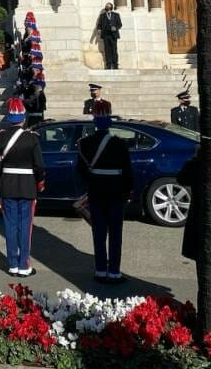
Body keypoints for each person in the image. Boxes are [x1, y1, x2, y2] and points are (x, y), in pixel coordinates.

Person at [77, 99, 133, 284]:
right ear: (109, 121)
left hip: (96, 191)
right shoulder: (119, 144)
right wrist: (128, 192)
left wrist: (93, 181)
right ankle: (114, 271)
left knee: (99, 233)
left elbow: (81, 171)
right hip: (116, 193)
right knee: (115, 234)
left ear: (94, 121)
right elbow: (127, 172)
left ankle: (100, 270)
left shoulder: (85, 143)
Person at [0, 97, 44, 277]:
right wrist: (40, 182)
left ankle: (13, 264)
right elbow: (39, 166)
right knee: (25, 226)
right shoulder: (31, 138)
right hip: (28, 186)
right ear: (23, 117)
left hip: (8, 186)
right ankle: (24, 265)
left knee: (10, 226)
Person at [96, 3, 123, 70]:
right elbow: (99, 25)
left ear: (111, 7)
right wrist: (99, 30)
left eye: (108, 5)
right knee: (107, 50)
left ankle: (115, 65)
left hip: (113, 35)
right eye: (106, 6)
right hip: (105, 35)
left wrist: (115, 28)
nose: (107, 6)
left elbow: (119, 24)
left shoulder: (116, 15)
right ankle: (108, 65)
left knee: (114, 50)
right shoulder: (102, 16)